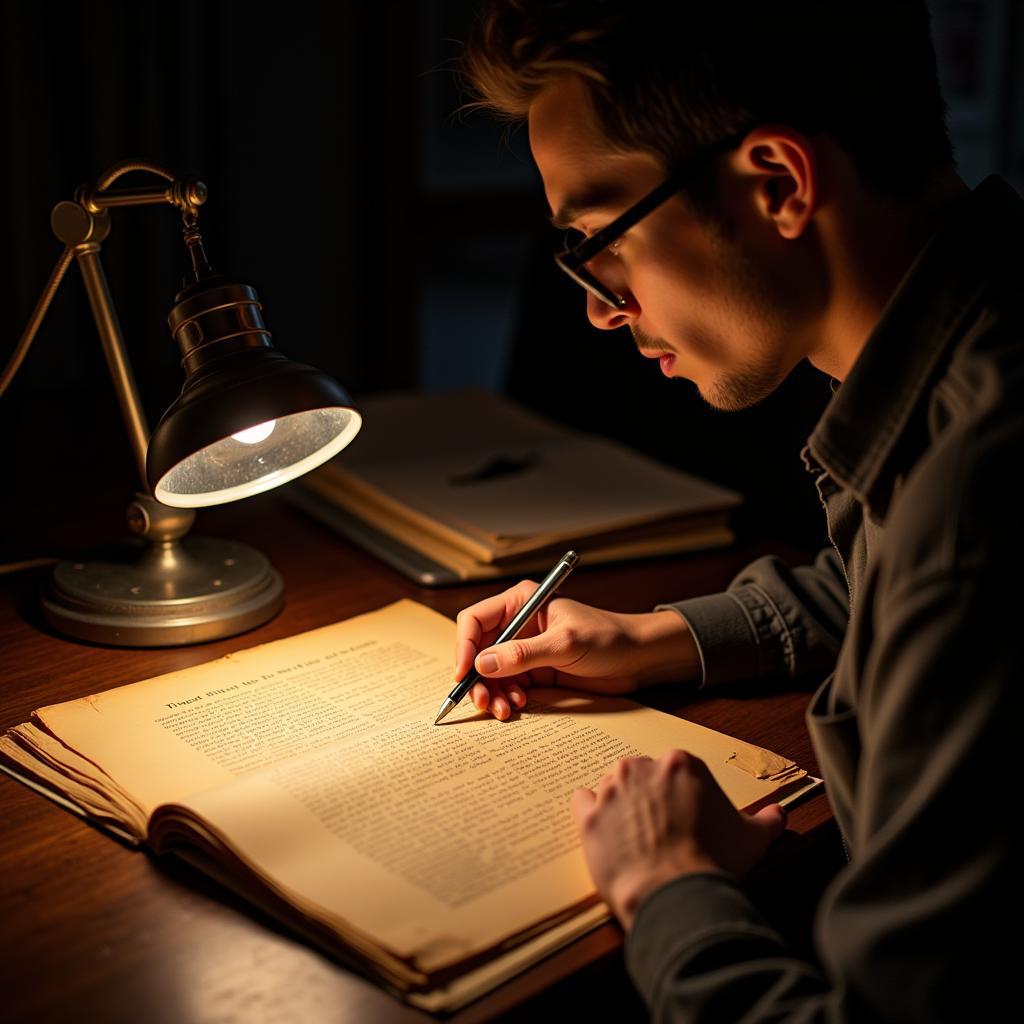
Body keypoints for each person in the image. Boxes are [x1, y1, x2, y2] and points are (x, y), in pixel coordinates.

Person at [452, 1, 1017, 1019]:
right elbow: (874, 589)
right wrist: (657, 637)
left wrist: (668, 883)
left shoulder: (975, 513)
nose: (597, 304)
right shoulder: (970, 333)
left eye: (599, 239)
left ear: (776, 184)